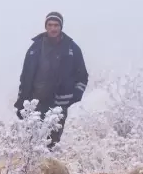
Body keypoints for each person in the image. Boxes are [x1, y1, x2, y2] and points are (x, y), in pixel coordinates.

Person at [14, 11, 89, 147]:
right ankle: (33, 168)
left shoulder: (72, 48)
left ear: (61, 27)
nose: (53, 28)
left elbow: (82, 76)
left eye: (56, 25)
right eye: (50, 25)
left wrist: (74, 96)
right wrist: (21, 101)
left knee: (51, 142)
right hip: (35, 102)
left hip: (58, 104)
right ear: (46, 26)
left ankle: (49, 167)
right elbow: (25, 77)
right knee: (32, 142)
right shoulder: (35, 48)